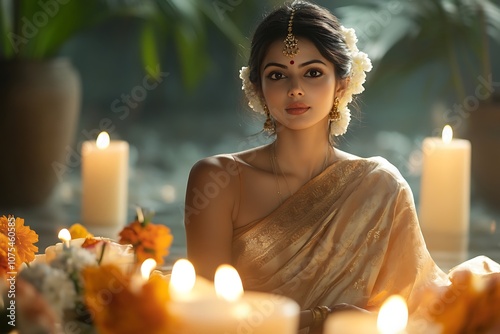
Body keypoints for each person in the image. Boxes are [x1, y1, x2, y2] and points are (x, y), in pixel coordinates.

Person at [184, 1, 500, 333]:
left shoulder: (379, 186)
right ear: (257, 87)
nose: (295, 89)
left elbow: (410, 309)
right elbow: (206, 314)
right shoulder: (218, 180)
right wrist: (321, 318)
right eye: (277, 74)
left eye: (313, 72)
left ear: (342, 84)